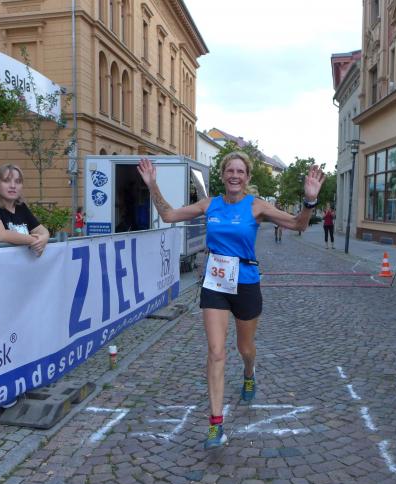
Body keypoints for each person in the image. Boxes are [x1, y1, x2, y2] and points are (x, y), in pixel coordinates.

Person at [137, 152, 325, 449]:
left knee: (245, 348)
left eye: (240, 171)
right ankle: (216, 424)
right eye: (230, 171)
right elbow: (169, 215)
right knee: (216, 351)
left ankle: (249, 372)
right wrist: (152, 185)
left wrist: (310, 201)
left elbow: (298, 225)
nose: (235, 175)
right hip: (215, 284)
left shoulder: (257, 206)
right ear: (223, 175)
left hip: (246, 282)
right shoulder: (209, 204)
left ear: (247, 177)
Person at [0, 164, 50, 256]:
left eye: (18, 181)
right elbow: (0, 236)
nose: (13, 186)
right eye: (6, 181)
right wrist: (35, 240)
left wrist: (45, 237)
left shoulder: (21, 207)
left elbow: (40, 230)